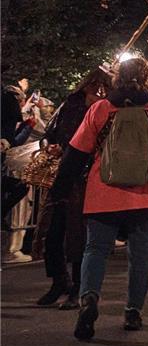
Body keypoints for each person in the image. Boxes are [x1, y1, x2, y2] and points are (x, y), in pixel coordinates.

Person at [50, 57, 148, 340]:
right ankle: (133, 311)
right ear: (146, 79)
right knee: (140, 257)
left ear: (117, 78)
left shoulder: (100, 109)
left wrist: (59, 190)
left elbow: (75, 155)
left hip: (102, 194)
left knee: (95, 250)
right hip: (145, 196)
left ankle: (89, 299)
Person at [33, 67, 111, 309]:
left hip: (87, 178)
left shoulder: (105, 109)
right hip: (64, 176)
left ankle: (78, 287)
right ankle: (59, 282)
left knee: (78, 236)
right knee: (52, 233)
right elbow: (49, 133)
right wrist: (52, 146)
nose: (96, 89)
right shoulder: (70, 104)